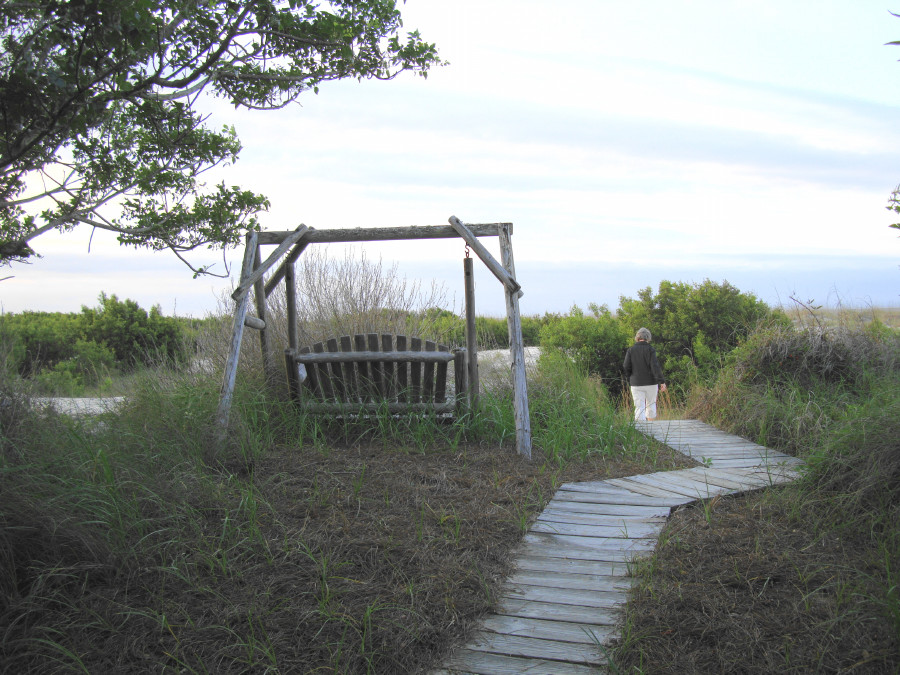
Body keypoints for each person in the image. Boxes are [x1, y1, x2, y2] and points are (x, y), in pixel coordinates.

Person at [623, 327, 667, 421]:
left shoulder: (631, 350)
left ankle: (640, 432)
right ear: (648, 337)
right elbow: (655, 366)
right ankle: (651, 430)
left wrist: (631, 376)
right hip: (651, 382)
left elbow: (626, 366)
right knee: (651, 405)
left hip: (636, 383)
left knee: (639, 407)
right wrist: (661, 381)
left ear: (637, 337)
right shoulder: (651, 350)